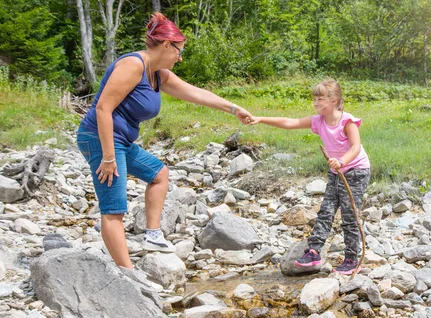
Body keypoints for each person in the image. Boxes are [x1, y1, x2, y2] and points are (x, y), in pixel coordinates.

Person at [77, 12, 252, 269]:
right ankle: (128, 274)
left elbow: (196, 93)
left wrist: (234, 108)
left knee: (159, 174)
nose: (180, 57)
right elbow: (103, 109)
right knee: (113, 209)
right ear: (167, 45)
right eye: (179, 51)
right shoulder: (133, 65)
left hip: (121, 141)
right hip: (100, 137)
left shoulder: (158, 73)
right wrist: (108, 157)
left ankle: (152, 235)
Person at [250, 79, 370, 275]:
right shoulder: (318, 121)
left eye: (320, 99)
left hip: (356, 171)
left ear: (334, 100)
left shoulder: (347, 121)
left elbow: (356, 147)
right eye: (314, 99)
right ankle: (314, 251)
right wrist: (261, 118)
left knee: (349, 215)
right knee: (326, 210)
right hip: (335, 173)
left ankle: (351, 259)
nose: (316, 103)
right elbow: (290, 123)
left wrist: (341, 161)